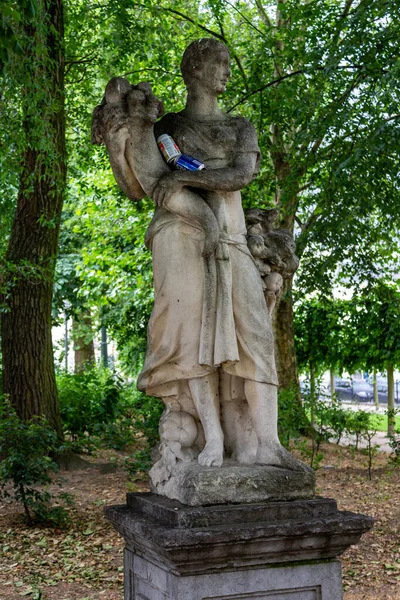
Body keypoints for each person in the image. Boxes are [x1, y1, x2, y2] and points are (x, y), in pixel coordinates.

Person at [100, 38, 298, 470]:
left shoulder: (240, 127)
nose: (226, 70)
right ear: (194, 69)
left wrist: (191, 179)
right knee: (195, 342)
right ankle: (212, 440)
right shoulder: (167, 127)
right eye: (219, 62)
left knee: (258, 339)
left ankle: (268, 443)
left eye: (228, 62)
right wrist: (125, 136)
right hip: (181, 236)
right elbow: (141, 184)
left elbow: (242, 174)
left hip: (231, 236)